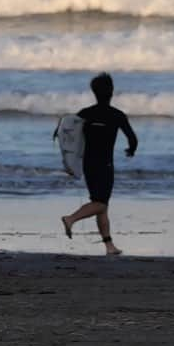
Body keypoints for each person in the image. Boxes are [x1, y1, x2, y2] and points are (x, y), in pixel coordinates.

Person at [60, 72, 138, 255]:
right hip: (105, 165)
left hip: (88, 164)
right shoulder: (117, 115)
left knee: (101, 204)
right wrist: (131, 150)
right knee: (101, 204)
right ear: (111, 92)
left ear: (94, 92)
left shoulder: (85, 114)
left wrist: (69, 163)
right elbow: (132, 139)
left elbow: (69, 139)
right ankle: (70, 219)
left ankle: (109, 246)